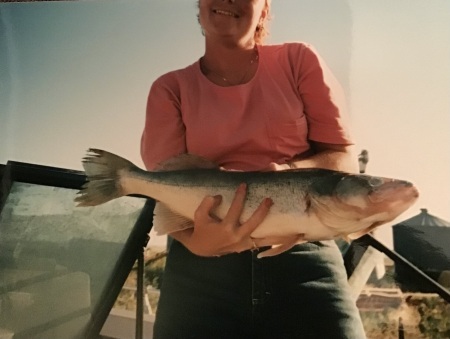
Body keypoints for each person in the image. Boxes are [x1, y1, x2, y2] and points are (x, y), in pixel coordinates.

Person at [141, 0, 367, 338]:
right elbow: (165, 185)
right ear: (199, 6)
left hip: (305, 251)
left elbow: (341, 158)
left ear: (264, 10)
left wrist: (289, 171)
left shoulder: (298, 60)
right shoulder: (168, 89)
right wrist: (196, 242)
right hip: (198, 270)